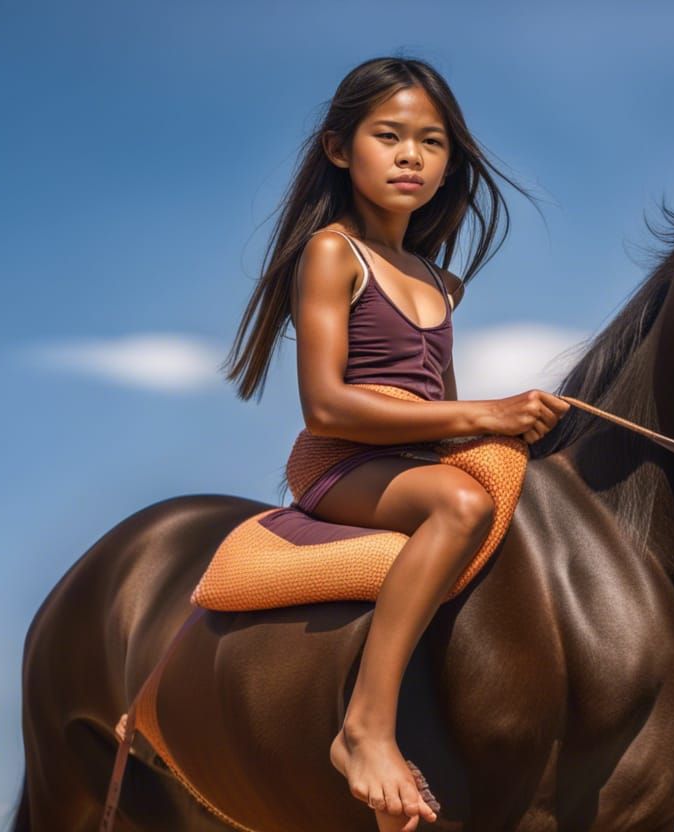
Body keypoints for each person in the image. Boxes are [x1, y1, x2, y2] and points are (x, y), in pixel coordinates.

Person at [221, 56, 568, 829]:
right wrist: (483, 416)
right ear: (340, 150)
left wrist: (516, 424)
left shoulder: (444, 285)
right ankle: (366, 728)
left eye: (432, 142)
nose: (412, 155)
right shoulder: (333, 253)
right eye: (390, 135)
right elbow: (326, 406)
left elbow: (436, 406)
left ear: (450, 165)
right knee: (456, 503)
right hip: (341, 461)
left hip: (410, 458)